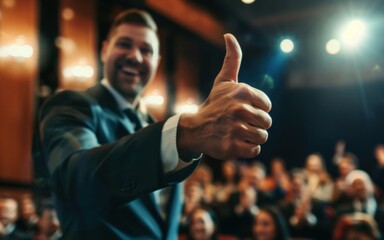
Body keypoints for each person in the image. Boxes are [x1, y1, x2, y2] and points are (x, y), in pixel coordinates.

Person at [33, 8, 271, 239]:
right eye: (124, 44)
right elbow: (75, 182)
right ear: (105, 50)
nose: (135, 56)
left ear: (156, 62)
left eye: (146, 50)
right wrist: (185, 133)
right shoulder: (72, 106)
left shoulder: (156, 125)